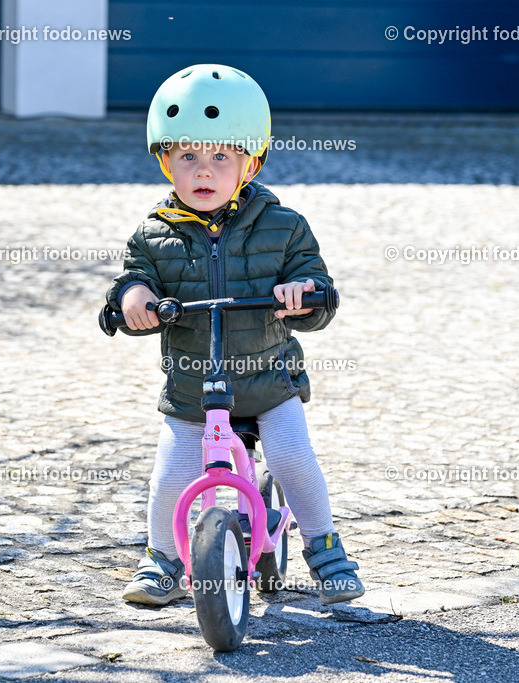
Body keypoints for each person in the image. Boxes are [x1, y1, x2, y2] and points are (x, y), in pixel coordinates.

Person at [103, 64, 364, 606]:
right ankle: (161, 560)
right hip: (192, 386)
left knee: (291, 456)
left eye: (221, 156)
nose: (204, 170)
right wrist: (131, 301)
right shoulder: (154, 234)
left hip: (269, 380)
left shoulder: (283, 225)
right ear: (165, 161)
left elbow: (320, 291)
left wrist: (303, 292)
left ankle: (325, 548)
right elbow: (132, 280)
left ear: (251, 162)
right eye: (188, 157)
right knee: (172, 474)